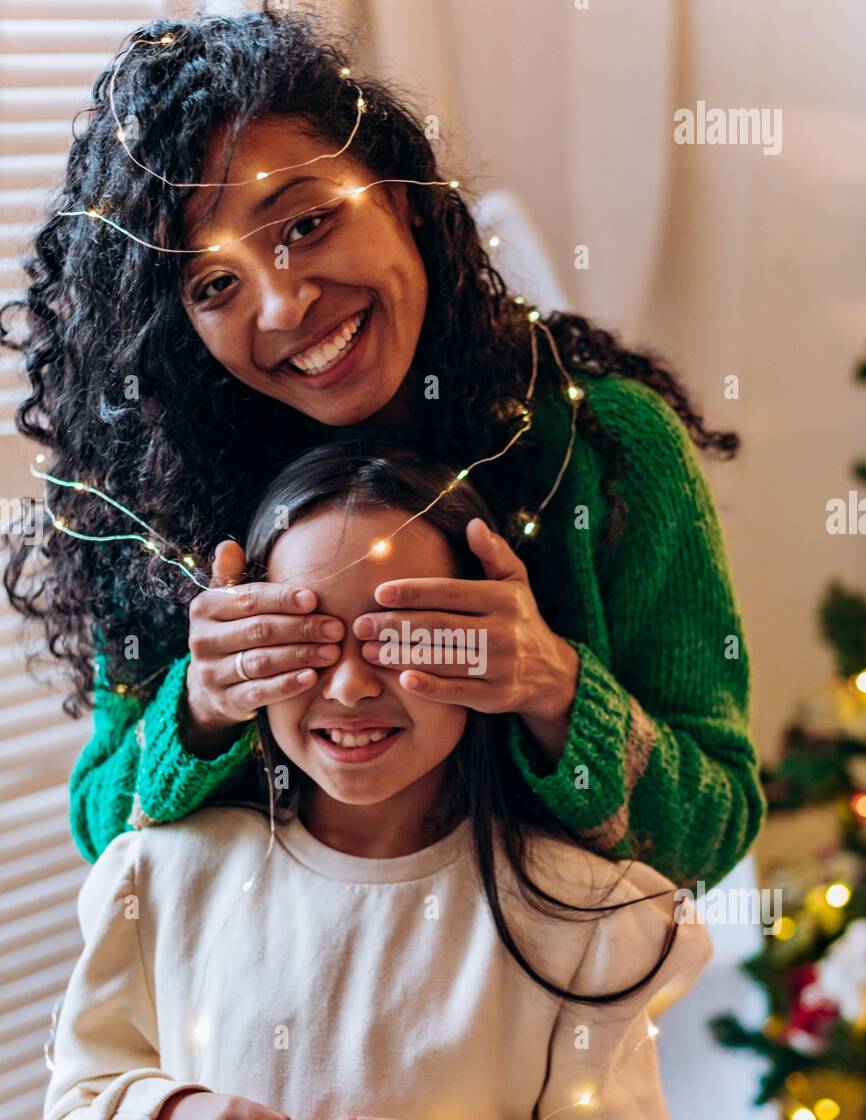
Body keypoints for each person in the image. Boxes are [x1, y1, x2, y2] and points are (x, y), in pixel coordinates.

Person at [0, 7, 765, 891]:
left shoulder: (601, 449)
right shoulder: (164, 505)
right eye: (215, 283)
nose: (284, 306)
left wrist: (554, 686)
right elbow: (107, 837)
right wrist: (201, 709)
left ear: (398, 199)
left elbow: (714, 833)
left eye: (305, 224)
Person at [40, 443, 713, 1120]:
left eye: (399, 641)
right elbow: (72, 1117)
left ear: (486, 648)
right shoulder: (165, 878)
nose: (352, 688)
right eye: (308, 640)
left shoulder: (580, 923)